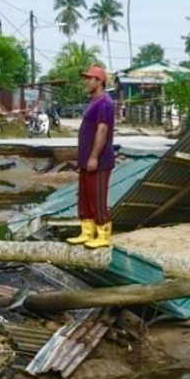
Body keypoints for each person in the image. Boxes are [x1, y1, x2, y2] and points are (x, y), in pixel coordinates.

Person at [66, 65, 115, 249]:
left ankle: (103, 234)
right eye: (85, 78)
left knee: (97, 198)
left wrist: (94, 156)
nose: (86, 81)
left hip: (100, 161)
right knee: (85, 197)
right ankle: (87, 232)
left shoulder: (104, 102)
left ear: (99, 81)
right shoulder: (93, 101)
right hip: (86, 160)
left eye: (89, 78)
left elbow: (102, 130)